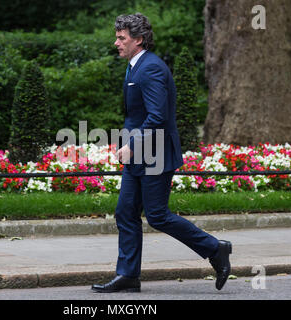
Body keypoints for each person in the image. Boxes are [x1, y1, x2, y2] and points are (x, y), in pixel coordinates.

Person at [91, 13, 232, 293]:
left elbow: (157, 116)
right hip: (140, 154)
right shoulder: (135, 66)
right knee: (126, 212)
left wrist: (132, 144)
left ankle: (215, 249)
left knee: (157, 215)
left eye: (121, 38)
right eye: (117, 36)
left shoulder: (151, 68)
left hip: (154, 153)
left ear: (138, 40)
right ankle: (128, 275)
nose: (116, 42)